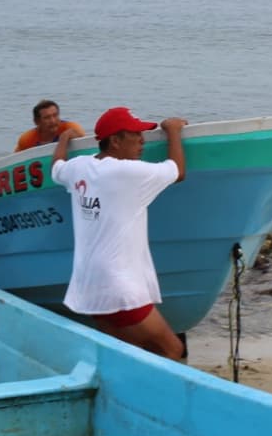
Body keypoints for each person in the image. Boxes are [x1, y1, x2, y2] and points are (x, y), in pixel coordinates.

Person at [52, 106, 187, 359]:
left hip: (89, 287)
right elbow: (177, 171)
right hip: (119, 287)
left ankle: (127, 396)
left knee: (127, 355)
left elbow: (56, 166)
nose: (142, 141)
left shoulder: (79, 166)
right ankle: (154, 399)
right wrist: (174, 131)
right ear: (115, 141)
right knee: (172, 349)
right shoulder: (126, 172)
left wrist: (63, 140)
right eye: (135, 135)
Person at [15, 99, 85, 152]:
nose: (53, 121)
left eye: (55, 115)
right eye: (47, 118)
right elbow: (15, 161)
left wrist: (67, 136)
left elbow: (86, 144)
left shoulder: (70, 127)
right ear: (36, 121)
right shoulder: (27, 139)